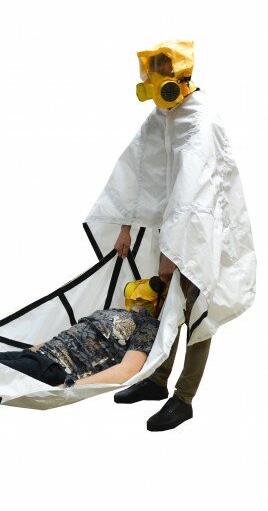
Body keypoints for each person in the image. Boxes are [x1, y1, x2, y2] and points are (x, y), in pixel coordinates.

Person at [85, 41, 256, 431]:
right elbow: (138, 168)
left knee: (196, 312)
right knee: (165, 307)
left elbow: (196, 196)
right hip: (175, 227)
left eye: (160, 73)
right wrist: (125, 226)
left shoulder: (201, 121)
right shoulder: (165, 116)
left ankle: (184, 398)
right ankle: (157, 381)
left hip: (202, 232)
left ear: (178, 76)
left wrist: (173, 252)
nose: (156, 82)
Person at [0, 277, 165, 388]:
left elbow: (128, 370)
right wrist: (30, 351)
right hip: (36, 354)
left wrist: (72, 386)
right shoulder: (113, 310)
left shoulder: (149, 326)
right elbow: (72, 332)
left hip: (56, 367)